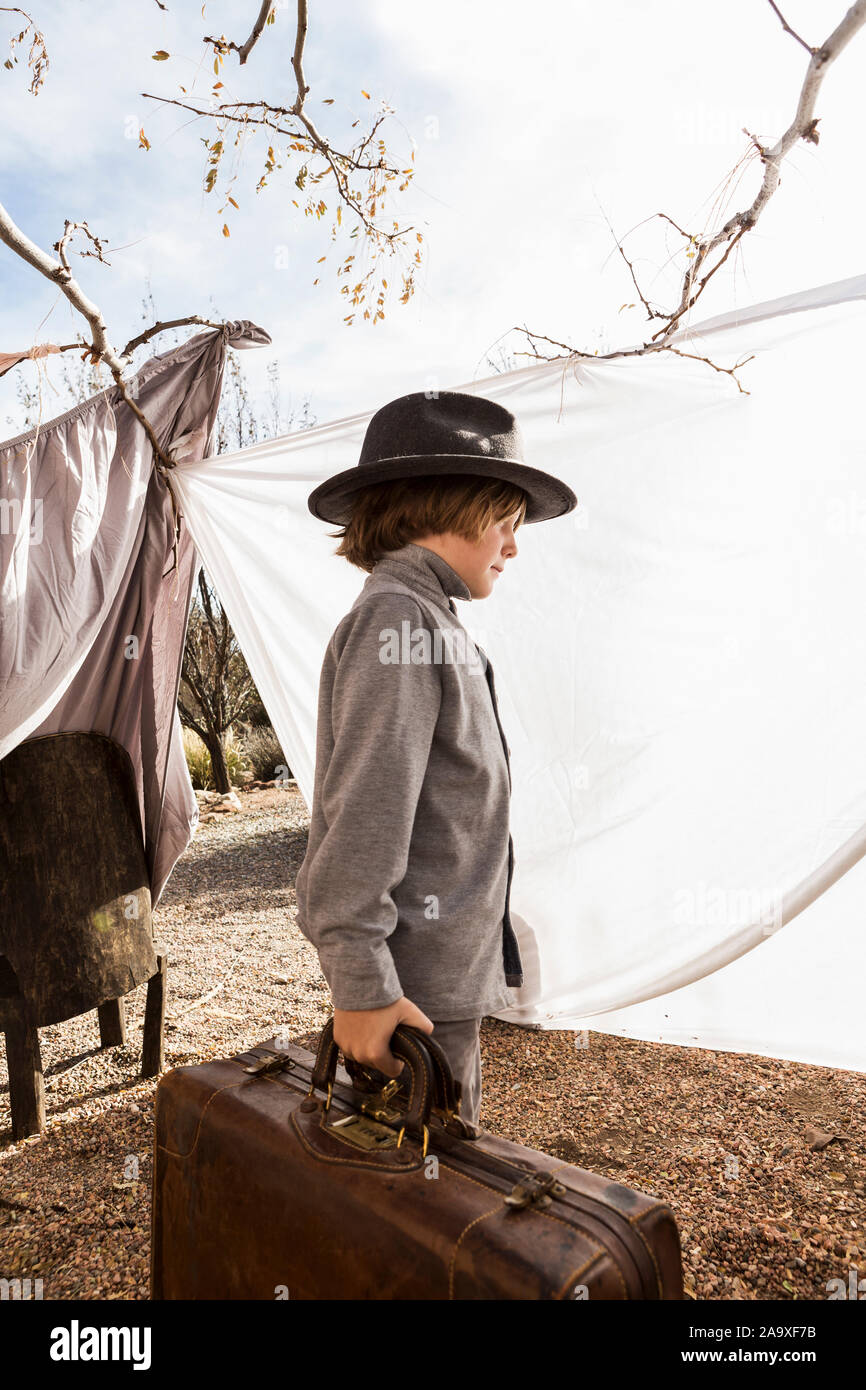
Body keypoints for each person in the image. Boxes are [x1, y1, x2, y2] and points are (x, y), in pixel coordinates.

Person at [295, 390, 577, 1126]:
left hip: (430, 987)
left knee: (432, 1197)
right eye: (507, 522)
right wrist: (363, 987)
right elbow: (362, 817)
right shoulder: (399, 620)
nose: (514, 546)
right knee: (419, 1208)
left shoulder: (429, 621)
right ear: (447, 508)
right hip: (407, 1002)